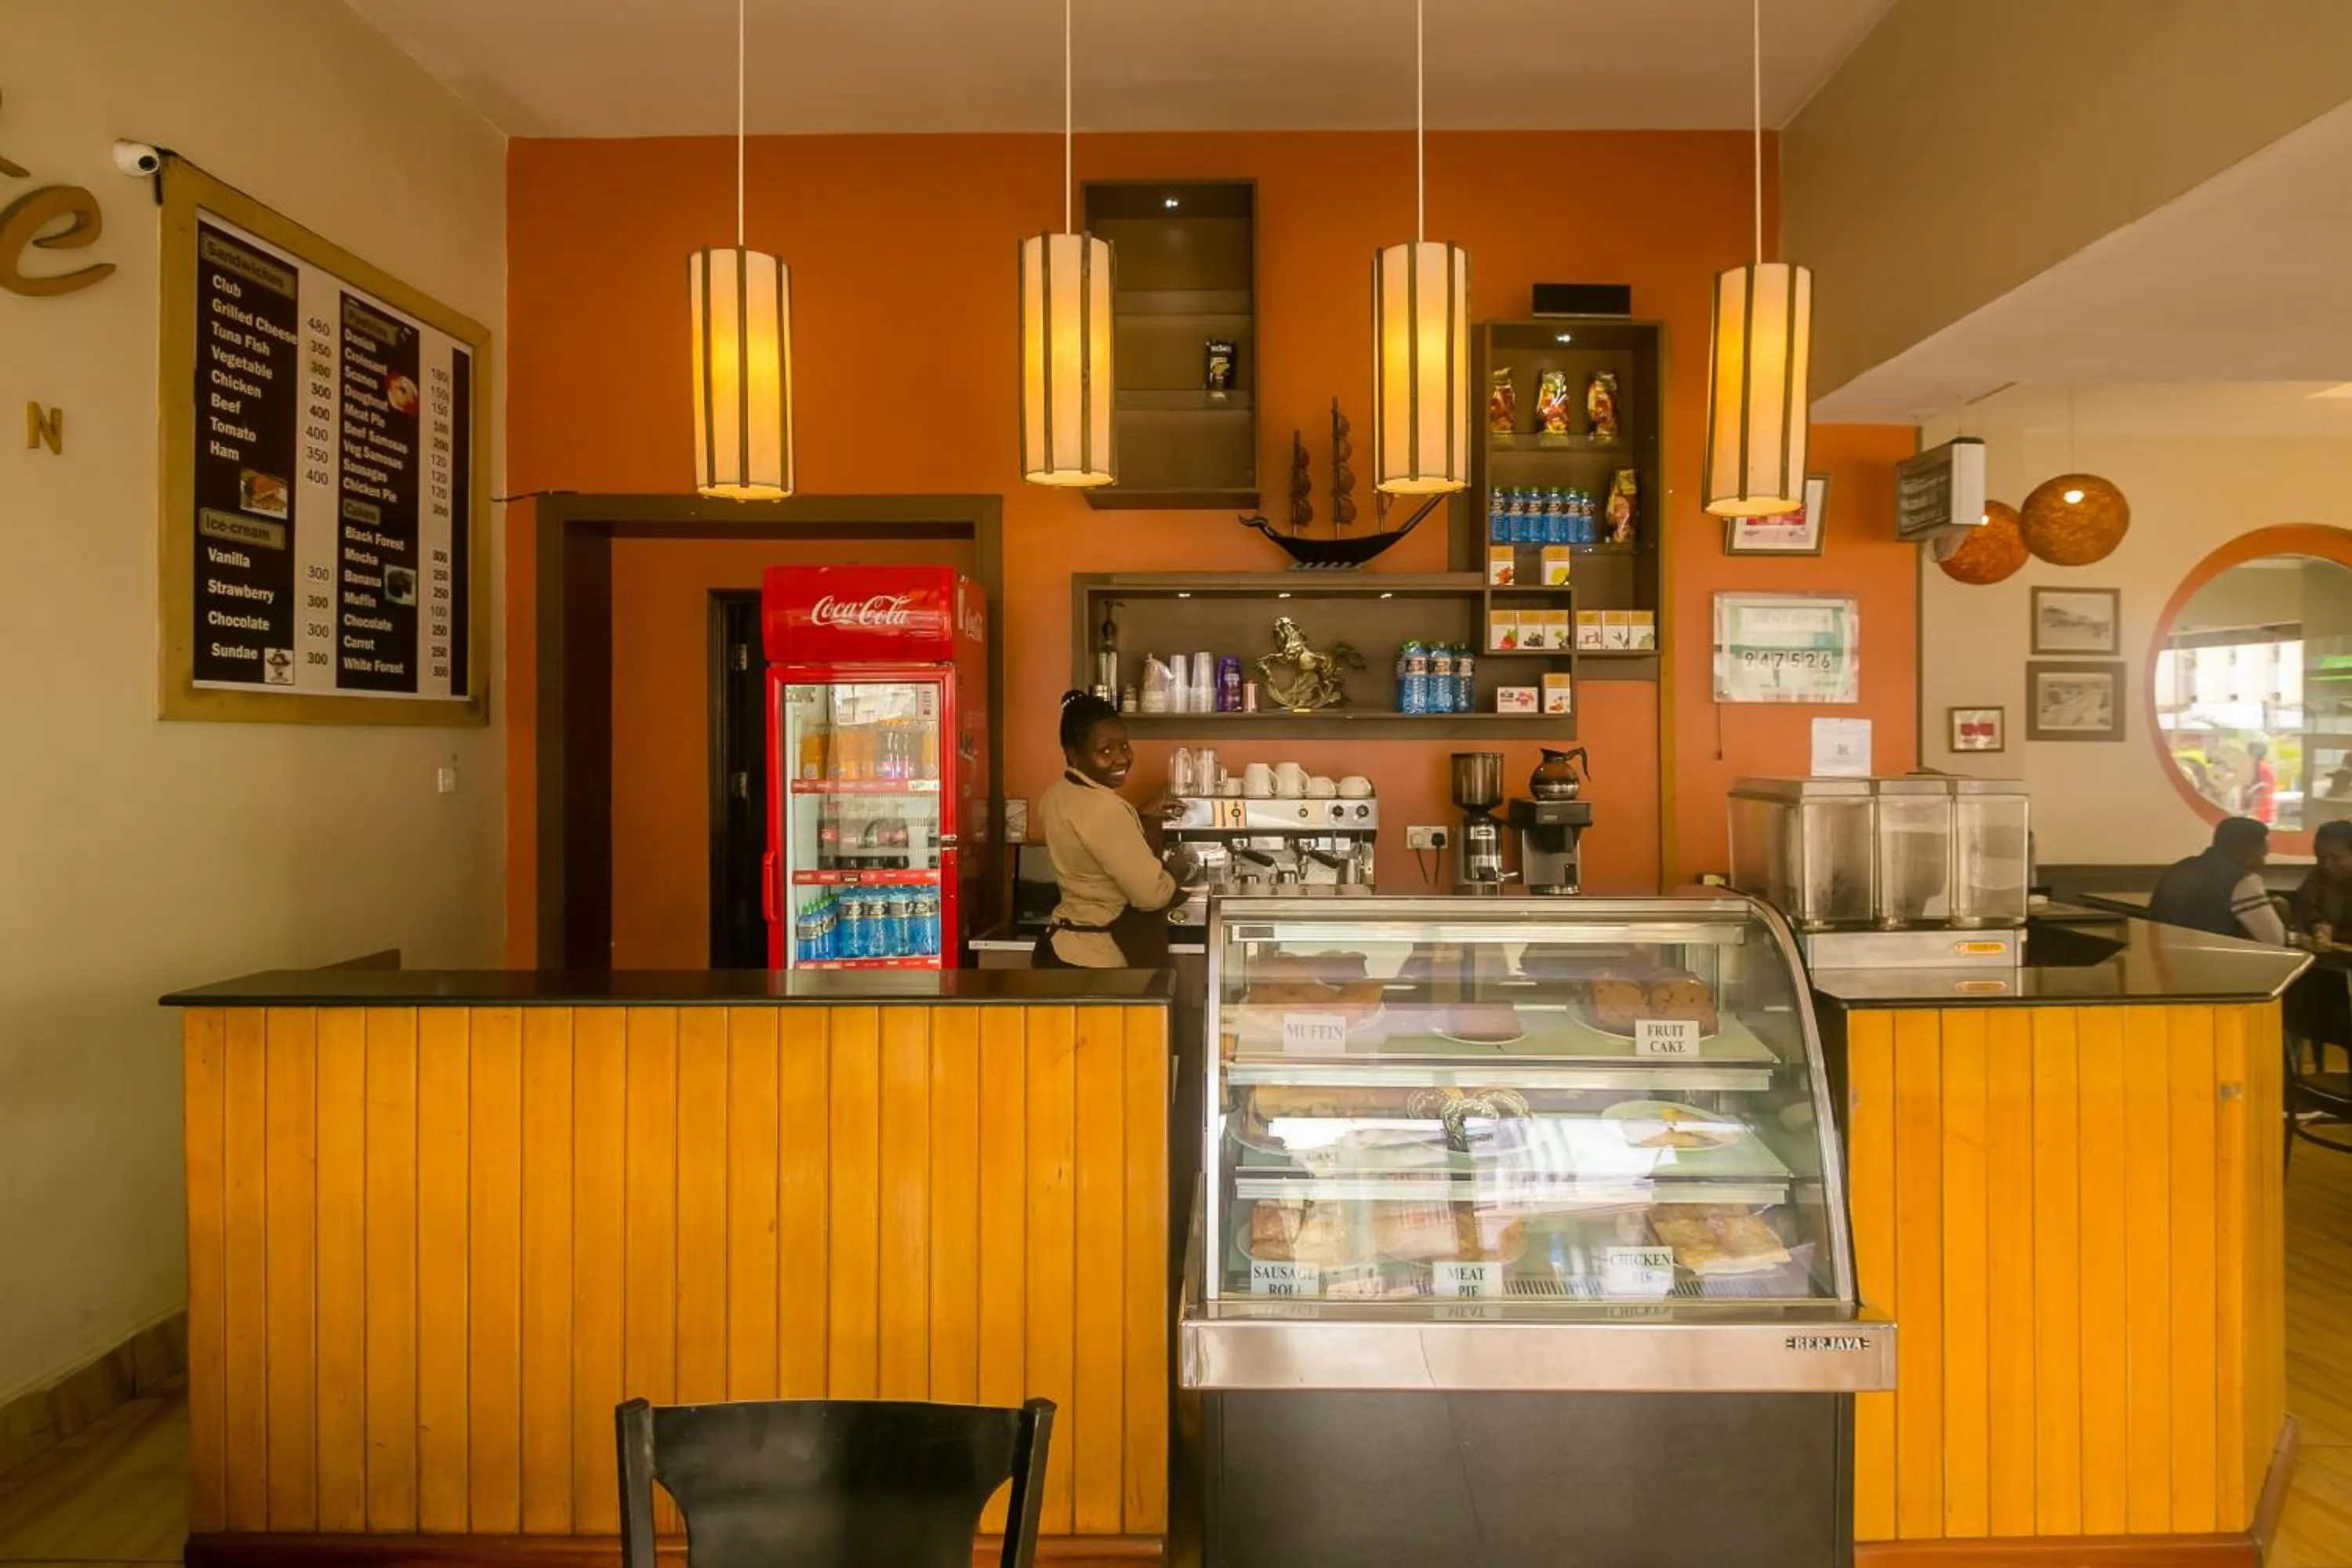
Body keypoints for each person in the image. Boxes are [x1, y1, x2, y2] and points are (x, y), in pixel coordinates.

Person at [1034, 691, 1198, 968]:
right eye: (1105, 751)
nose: (1121, 758)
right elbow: (1151, 896)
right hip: (1100, 958)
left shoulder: (1055, 796)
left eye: (1124, 746)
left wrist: (1139, 815)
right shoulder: (1107, 809)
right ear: (1074, 756)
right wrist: (1178, 869)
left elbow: (1091, 840)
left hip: (1061, 945)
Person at [2148, 816, 2286, 945]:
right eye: (2260, 855)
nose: (2262, 863)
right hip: (2215, 964)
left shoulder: (2179, 868)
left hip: (2165, 960)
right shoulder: (2242, 882)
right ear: (2243, 851)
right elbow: (2275, 940)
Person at [2244, 739, 2278, 825]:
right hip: (2258, 813)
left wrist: (2249, 792)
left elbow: (2265, 787)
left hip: (2262, 815)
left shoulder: (2262, 769)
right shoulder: (2257, 768)